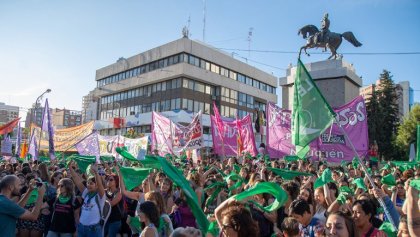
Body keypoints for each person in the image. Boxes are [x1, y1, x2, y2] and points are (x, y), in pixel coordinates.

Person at [69, 162, 105, 237]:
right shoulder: (86, 193)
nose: (89, 185)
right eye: (88, 183)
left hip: (93, 230)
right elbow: (76, 179)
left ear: (96, 186)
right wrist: (70, 167)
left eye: (91, 183)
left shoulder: (100, 196)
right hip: (81, 228)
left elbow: (100, 184)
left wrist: (96, 172)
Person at [104, 173, 123, 237]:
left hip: (115, 221)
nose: (108, 181)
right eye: (107, 179)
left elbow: (111, 204)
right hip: (105, 219)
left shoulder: (119, 193)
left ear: (116, 182)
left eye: (111, 179)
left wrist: (103, 195)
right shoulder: (105, 191)